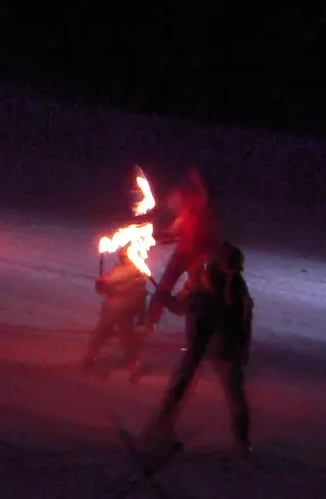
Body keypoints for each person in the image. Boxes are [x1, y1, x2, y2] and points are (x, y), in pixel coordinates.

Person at [143, 242, 254, 453]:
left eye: (233, 268)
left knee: (233, 391)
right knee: (182, 383)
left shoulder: (235, 287)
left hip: (224, 345)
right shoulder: (202, 281)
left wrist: (242, 347)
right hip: (201, 342)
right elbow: (182, 305)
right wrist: (167, 299)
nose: (230, 271)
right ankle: (160, 428)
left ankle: (242, 440)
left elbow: (243, 320)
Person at [144, 169, 223, 332]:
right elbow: (174, 231)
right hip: (184, 252)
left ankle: (194, 321)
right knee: (165, 286)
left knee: (197, 289)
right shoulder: (188, 210)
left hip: (198, 255)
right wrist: (155, 237)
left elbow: (205, 198)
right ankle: (151, 319)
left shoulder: (203, 207)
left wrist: (198, 182)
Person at [84, 258, 150, 375]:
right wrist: (101, 285)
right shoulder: (117, 270)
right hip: (113, 308)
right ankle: (91, 357)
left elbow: (141, 295)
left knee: (125, 336)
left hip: (126, 309)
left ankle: (131, 363)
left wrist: (141, 314)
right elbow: (104, 288)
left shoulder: (138, 271)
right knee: (104, 332)